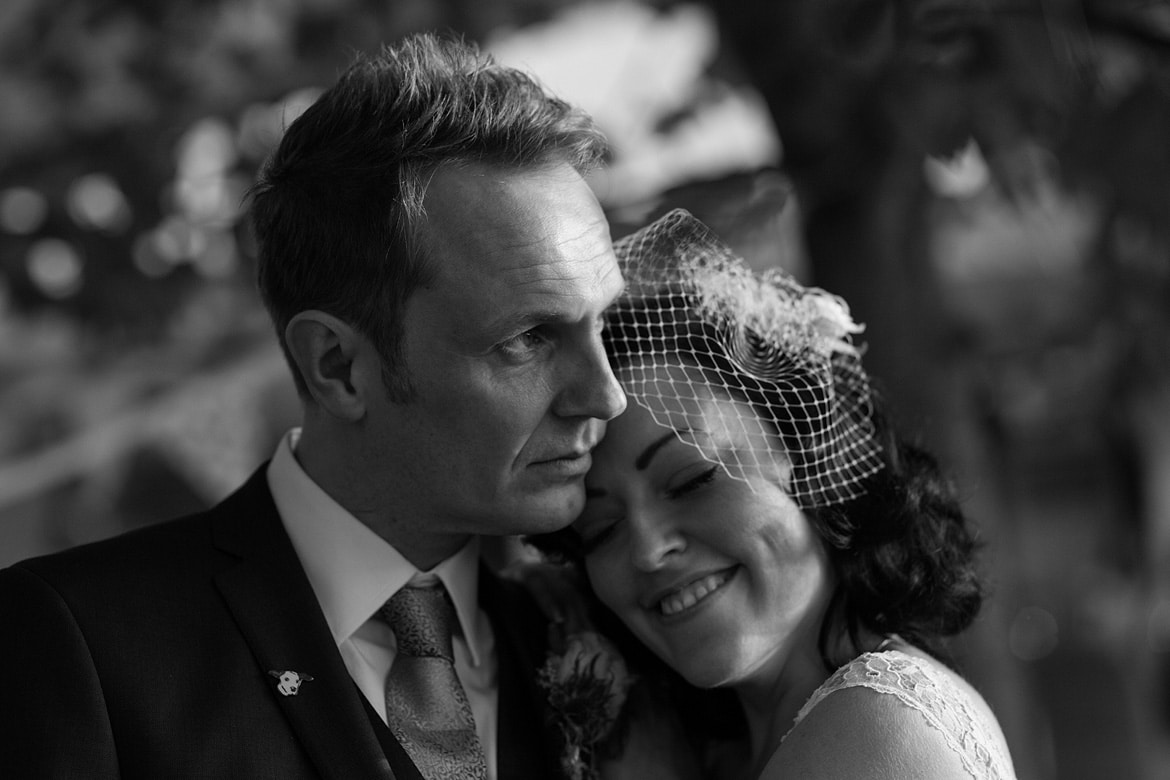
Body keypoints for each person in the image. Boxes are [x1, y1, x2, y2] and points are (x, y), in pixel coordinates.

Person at [0, 32, 628, 779]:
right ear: (338, 367)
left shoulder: (598, 626)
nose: (606, 394)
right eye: (528, 339)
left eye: (602, 325)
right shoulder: (81, 646)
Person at [530, 209, 1017, 779]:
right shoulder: (733, 747)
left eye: (692, 481)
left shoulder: (873, 727)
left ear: (812, 459)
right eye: (601, 529)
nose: (646, 549)